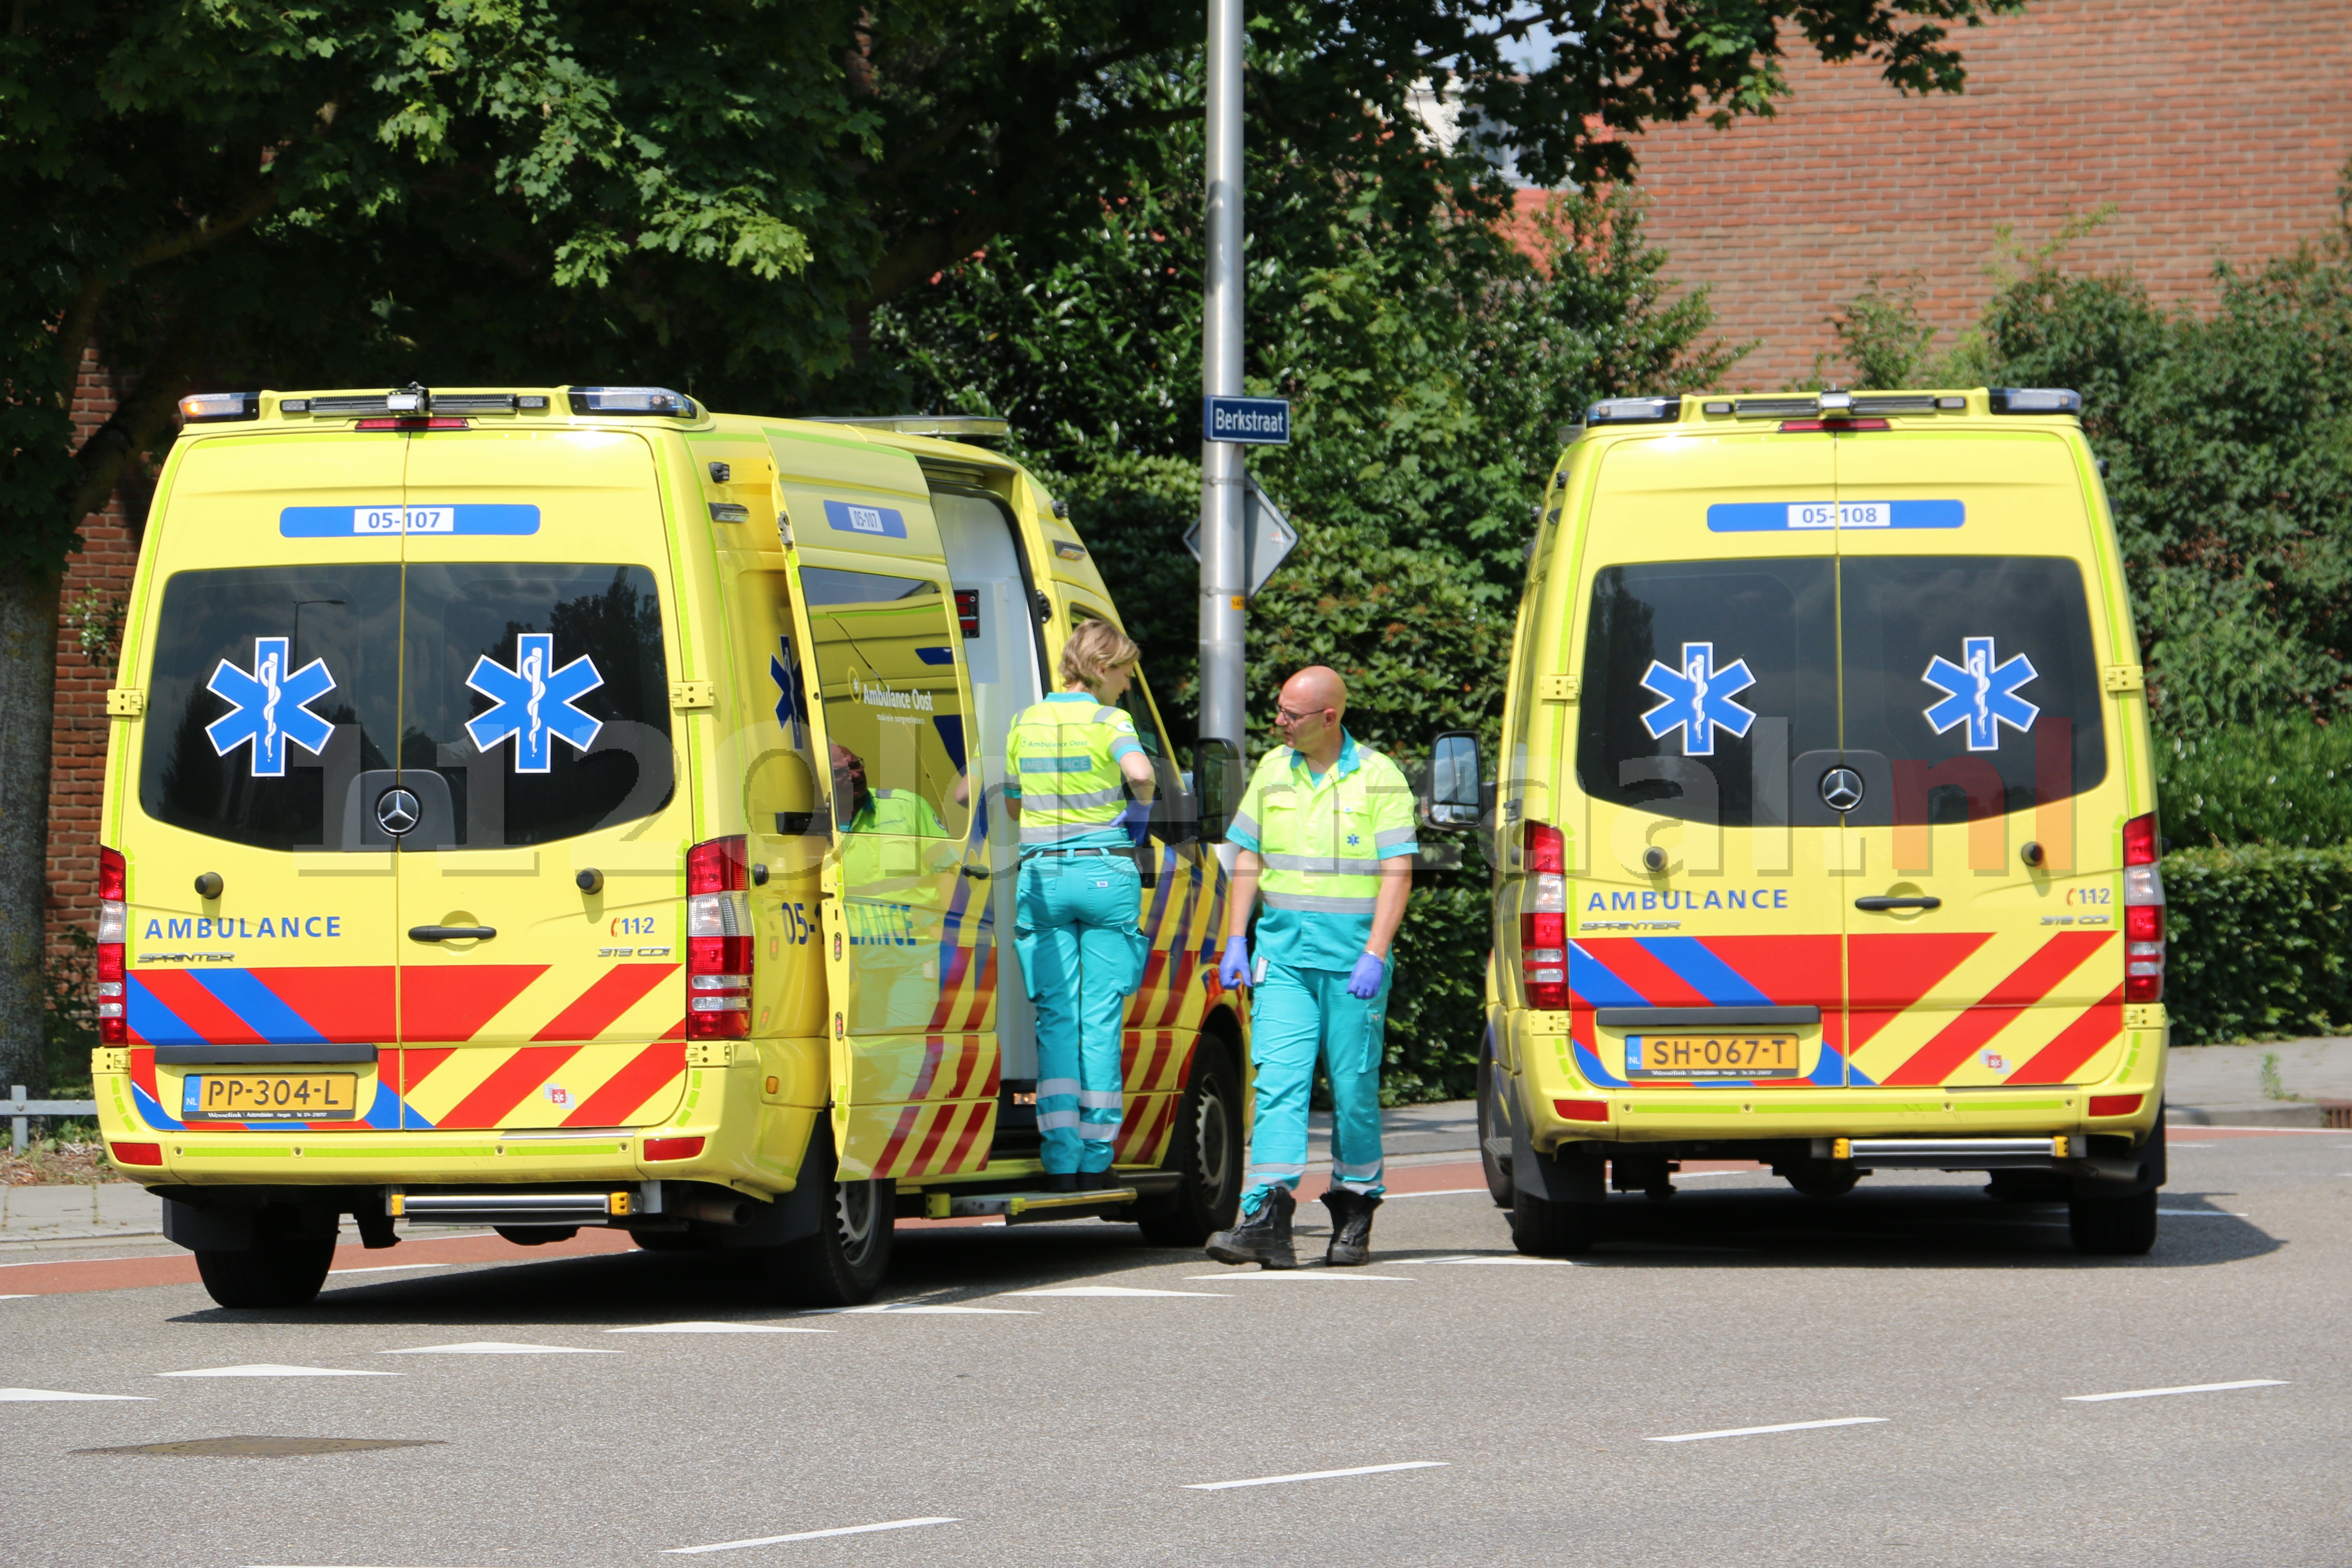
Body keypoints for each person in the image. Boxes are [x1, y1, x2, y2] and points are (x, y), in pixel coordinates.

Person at [1205, 666, 1415, 1268]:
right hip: (1285, 962)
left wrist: (1376, 952)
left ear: (1329, 717)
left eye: (1291, 715)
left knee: (1353, 1093)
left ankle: (1354, 1211)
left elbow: (1397, 873)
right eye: (1279, 711)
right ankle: (1266, 1216)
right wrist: (1237, 941)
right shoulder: (1273, 771)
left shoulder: (1380, 778)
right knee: (1278, 1086)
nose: (1279, 723)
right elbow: (1246, 854)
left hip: (1354, 966)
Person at [1003, 620, 1157, 1191]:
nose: (1126, 685)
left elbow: (1013, 804)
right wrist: (1137, 809)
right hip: (1104, 874)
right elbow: (1140, 774)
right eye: (1123, 672)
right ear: (1099, 668)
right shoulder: (1110, 720)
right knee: (1101, 1017)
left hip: (1043, 878)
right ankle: (1097, 1160)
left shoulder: (1025, 721)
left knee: (1056, 1017)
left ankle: (1060, 1161)